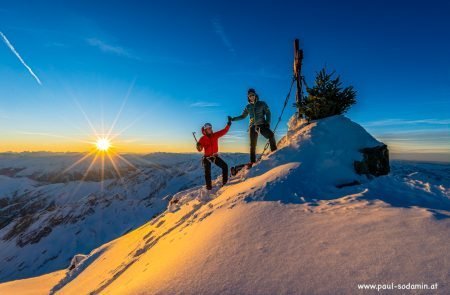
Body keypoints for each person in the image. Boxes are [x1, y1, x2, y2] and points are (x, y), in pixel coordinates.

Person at [230, 88, 277, 163]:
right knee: (252, 145)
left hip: (262, 125)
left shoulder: (262, 103)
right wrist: (233, 119)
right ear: (248, 97)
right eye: (250, 96)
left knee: (271, 135)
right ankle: (252, 162)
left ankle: (275, 153)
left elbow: (268, 113)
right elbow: (243, 116)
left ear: (255, 95)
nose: (251, 96)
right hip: (252, 126)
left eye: (252, 95)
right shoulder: (248, 107)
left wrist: (268, 122)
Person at [196, 118, 232, 190]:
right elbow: (200, 149)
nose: (210, 130)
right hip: (206, 157)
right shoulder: (202, 139)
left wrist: (228, 124)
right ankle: (209, 188)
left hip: (214, 156)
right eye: (208, 129)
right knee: (207, 172)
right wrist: (198, 146)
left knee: (225, 166)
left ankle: (225, 183)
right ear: (205, 130)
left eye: (210, 128)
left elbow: (224, 131)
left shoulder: (215, 135)